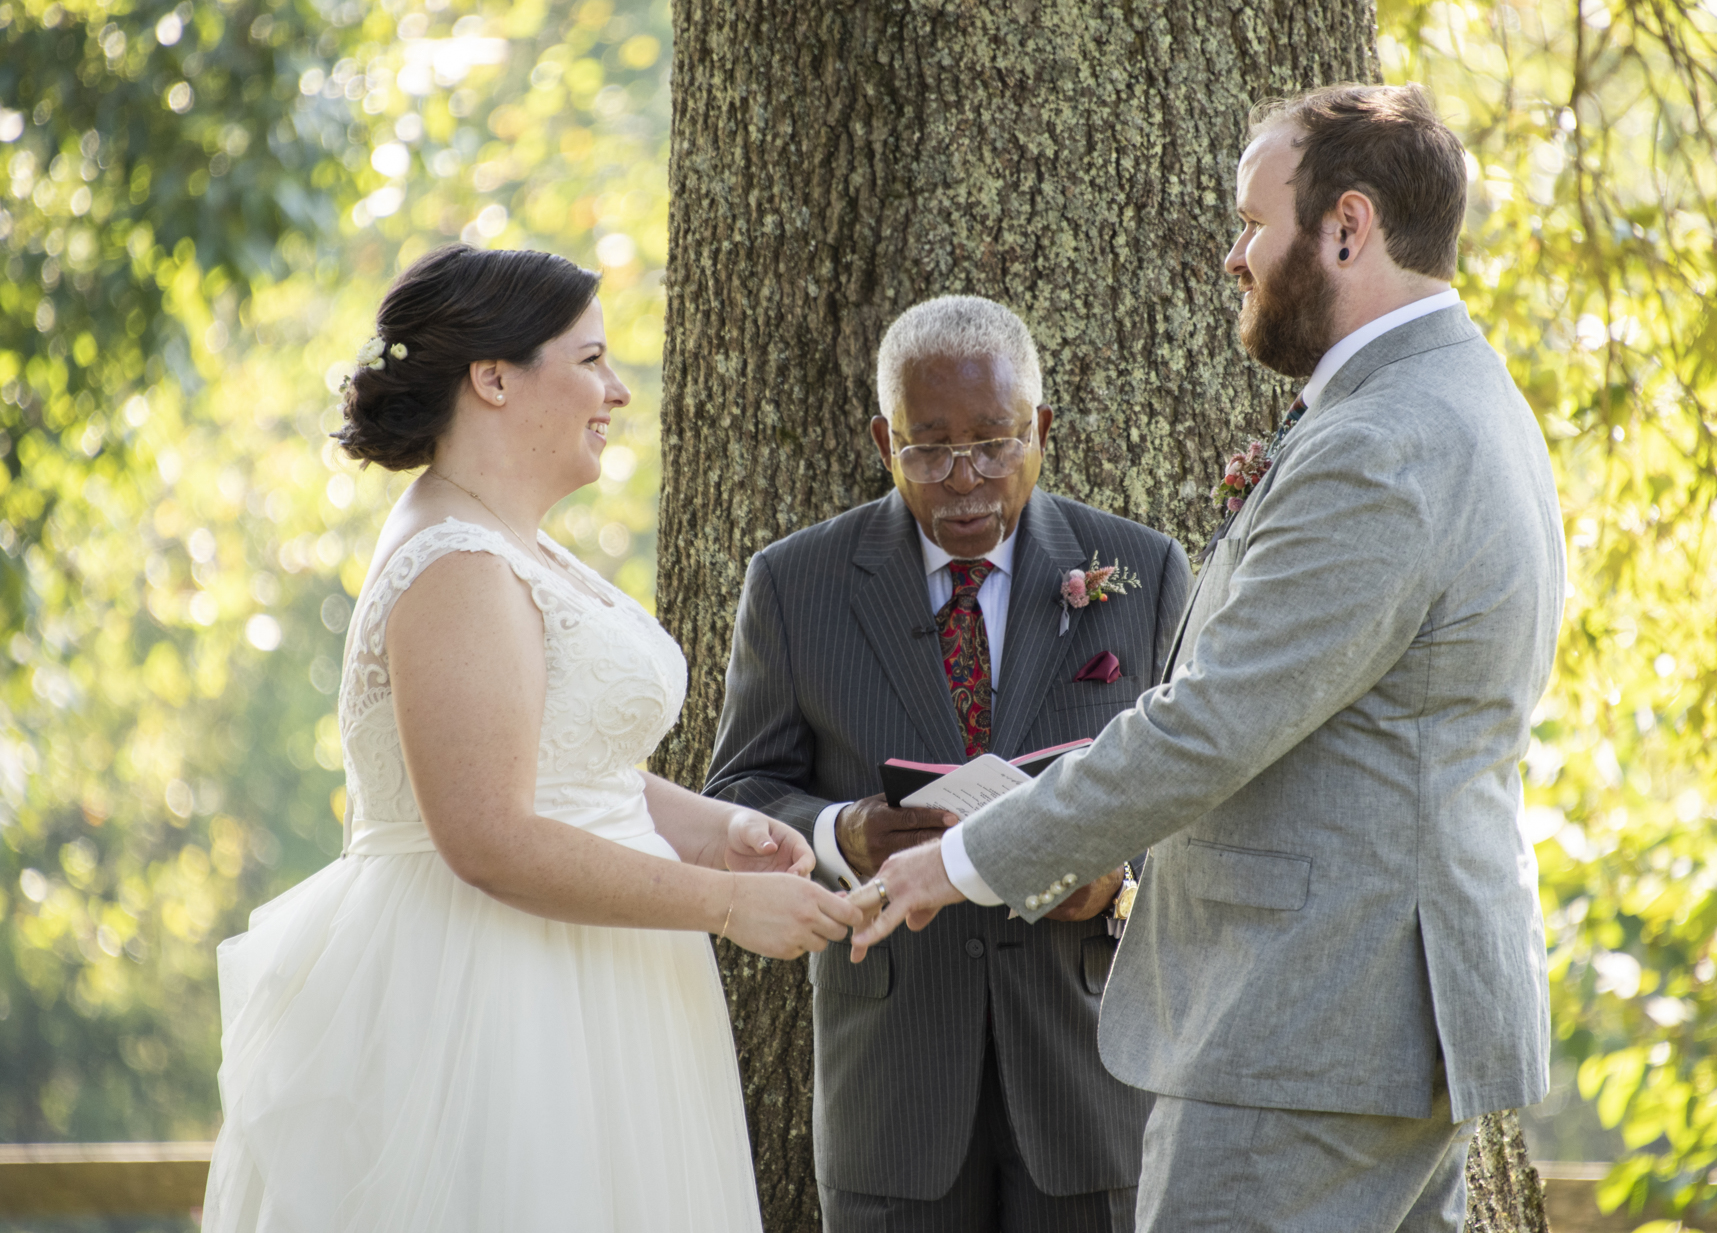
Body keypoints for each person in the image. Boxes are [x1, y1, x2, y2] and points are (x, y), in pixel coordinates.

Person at [853, 84, 1566, 1233]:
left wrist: (969, 859)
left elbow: (1210, 724)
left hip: (1303, 1027)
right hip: (1378, 1013)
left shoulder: (1379, 445)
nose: (1234, 257)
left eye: (1249, 224)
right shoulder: (1463, 396)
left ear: (1345, 227)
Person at [203, 243, 861, 1233]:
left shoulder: (509, 539)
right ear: (494, 377)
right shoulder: (455, 563)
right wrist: (726, 903)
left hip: (599, 981)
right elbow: (487, 835)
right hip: (497, 996)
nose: (619, 390)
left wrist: (712, 829)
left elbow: (569, 767)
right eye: (592, 359)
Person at [704, 295, 1193, 1233]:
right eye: (928, 450)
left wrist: (1116, 882)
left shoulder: (1143, 570)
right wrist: (839, 832)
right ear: (883, 440)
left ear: (1042, 428)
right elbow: (738, 792)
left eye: (995, 444)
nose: (965, 479)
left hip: (1087, 1079)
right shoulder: (794, 585)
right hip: (894, 1089)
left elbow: (1198, 795)